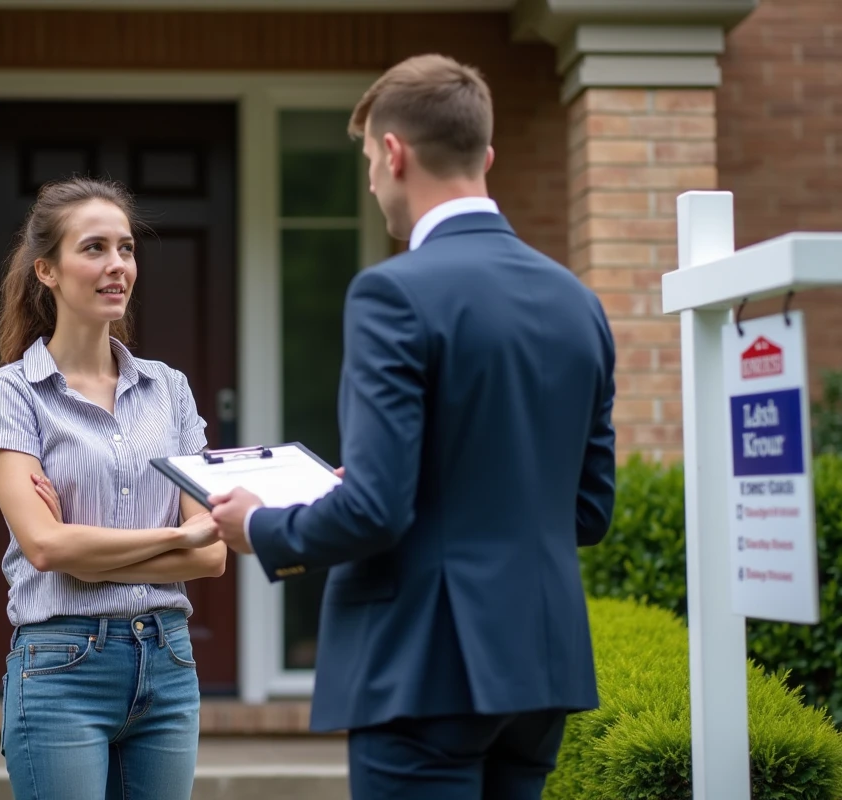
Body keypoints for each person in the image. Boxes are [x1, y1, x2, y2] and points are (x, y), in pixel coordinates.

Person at [209, 53, 617, 799]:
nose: (370, 181)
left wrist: (263, 527)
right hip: (541, 667)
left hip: (425, 669)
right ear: (484, 156)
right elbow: (588, 512)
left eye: (368, 159)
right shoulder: (577, 303)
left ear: (393, 153)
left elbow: (376, 510)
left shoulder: (392, 294)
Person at [0, 177, 226, 800]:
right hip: (61, 667)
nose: (117, 267)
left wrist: (90, 544)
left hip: (168, 663)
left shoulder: (171, 391)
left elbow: (211, 556)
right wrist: (175, 537)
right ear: (47, 270)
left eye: (126, 249)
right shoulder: (12, 394)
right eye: (95, 248)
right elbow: (47, 548)